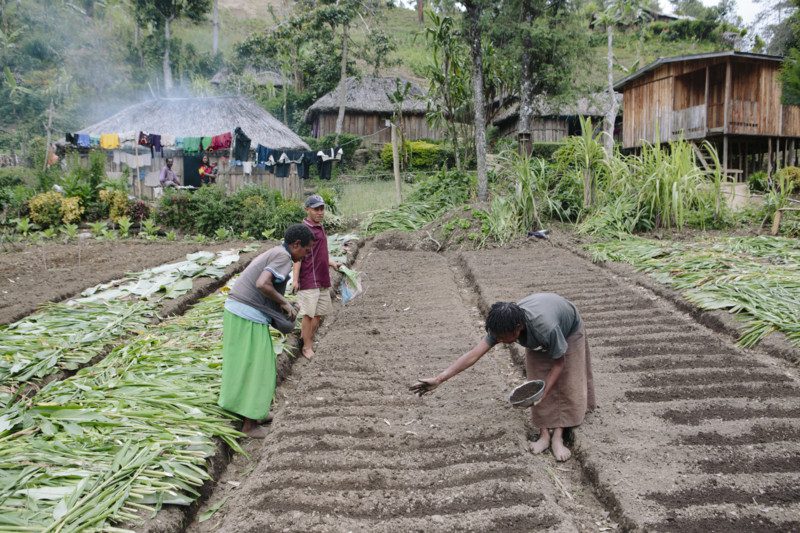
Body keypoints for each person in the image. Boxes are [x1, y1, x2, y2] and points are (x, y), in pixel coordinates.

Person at [410, 293, 595, 462]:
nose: (498, 340)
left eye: (501, 338)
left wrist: (545, 393)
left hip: (568, 329)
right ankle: (544, 435)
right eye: (496, 337)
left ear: (517, 329)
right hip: (539, 330)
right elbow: (474, 355)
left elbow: (559, 364)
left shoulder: (546, 327)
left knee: (565, 381)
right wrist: (439, 378)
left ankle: (558, 436)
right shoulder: (502, 326)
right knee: (536, 381)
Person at [219, 224, 315, 438]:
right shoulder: (283, 257)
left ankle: (255, 413)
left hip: (239, 312)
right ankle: (249, 426)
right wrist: (286, 304)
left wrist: (284, 304)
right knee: (259, 368)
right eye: (306, 250)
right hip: (246, 315)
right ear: (296, 245)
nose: (307, 255)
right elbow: (262, 284)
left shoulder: (279, 252)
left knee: (246, 365)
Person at [291, 194, 342, 359]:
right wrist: (295, 280)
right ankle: (307, 346)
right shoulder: (304, 230)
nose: (320, 212)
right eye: (316, 209)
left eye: (322, 209)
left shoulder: (320, 227)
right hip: (309, 279)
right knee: (309, 314)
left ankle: (306, 338)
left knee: (319, 314)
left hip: (322, 277)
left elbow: (320, 253)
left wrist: (332, 263)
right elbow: (297, 257)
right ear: (307, 210)